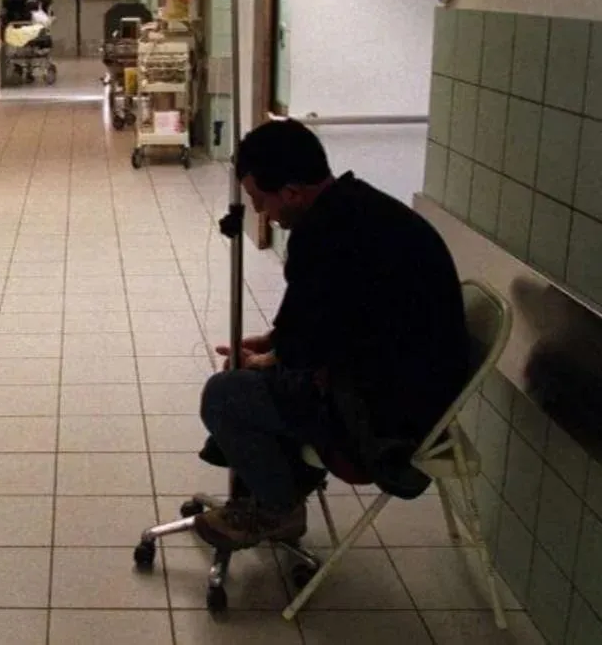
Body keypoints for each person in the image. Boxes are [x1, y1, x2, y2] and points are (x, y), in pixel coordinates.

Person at [192, 119, 471, 551]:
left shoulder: (323, 239)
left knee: (225, 395)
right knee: (254, 383)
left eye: (259, 199)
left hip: (388, 419)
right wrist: (273, 345)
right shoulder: (360, 209)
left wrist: (268, 360)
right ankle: (271, 488)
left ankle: (278, 508)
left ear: (292, 192)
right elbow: (325, 319)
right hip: (419, 389)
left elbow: (307, 349)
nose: (261, 212)